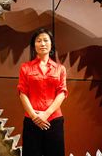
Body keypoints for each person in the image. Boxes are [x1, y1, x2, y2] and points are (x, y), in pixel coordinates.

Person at [17, 28, 68, 156]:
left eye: (46, 40)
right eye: (38, 41)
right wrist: (34, 116)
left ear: (51, 45)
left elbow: (62, 93)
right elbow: (22, 93)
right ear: (34, 45)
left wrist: (46, 114)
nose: (42, 44)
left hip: (54, 120)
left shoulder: (60, 69)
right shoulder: (25, 67)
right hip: (31, 120)